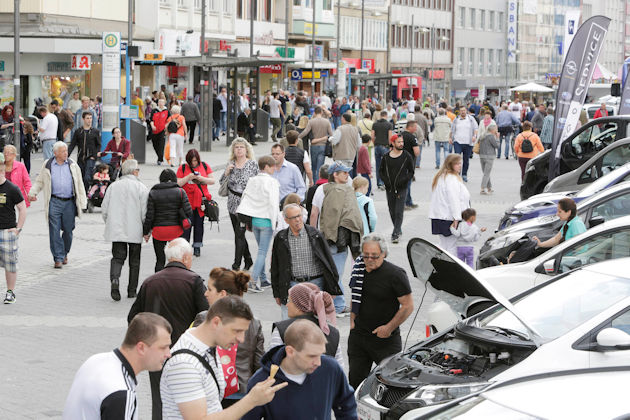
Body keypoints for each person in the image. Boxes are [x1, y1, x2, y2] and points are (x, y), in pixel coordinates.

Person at [160, 296, 288, 419]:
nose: (241, 339)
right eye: (237, 331)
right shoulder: (185, 364)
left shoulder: (209, 348)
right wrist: (251, 400)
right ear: (216, 322)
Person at [127, 239, 209, 419]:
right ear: (186, 257)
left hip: (155, 351)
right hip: (187, 352)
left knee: (159, 398)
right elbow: (205, 317)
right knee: (186, 398)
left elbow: (133, 318)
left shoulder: (150, 282)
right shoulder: (194, 281)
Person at [63, 313, 173, 420]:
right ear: (141, 348)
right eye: (163, 347)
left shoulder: (95, 360)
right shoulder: (121, 393)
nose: (169, 354)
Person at [243, 320, 357, 420]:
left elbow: (346, 404)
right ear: (290, 351)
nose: (318, 362)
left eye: (321, 354)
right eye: (311, 356)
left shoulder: (331, 368)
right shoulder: (261, 381)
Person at [347, 234, 413, 389]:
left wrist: (388, 328)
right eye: (366, 255)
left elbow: (408, 306)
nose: (369, 259)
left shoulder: (396, 274)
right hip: (359, 337)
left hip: (385, 340)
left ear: (383, 253)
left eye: (374, 256)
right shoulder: (359, 269)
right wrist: (352, 321)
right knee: (356, 382)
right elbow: (355, 295)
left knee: (393, 384)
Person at [202, 268, 265, 404]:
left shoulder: (204, 319)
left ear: (222, 294)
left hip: (213, 392)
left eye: (209, 289)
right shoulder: (254, 322)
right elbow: (259, 363)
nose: (205, 293)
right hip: (242, 391)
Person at [271, 203, 342, 320]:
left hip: (315, 284)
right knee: (288, 321)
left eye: (299, 216)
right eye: (293, 218)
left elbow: (328, 261)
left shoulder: (315, 235)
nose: (298, 220)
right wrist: (277, 293)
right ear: (286, 220)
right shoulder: (281, 237)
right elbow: (275, 266)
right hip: (292, 284)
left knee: (317, 322)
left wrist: (333, 287)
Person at [310, 161, 363, 315]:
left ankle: (331, 303)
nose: (348, 175)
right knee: (336, 272)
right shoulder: (346, 190)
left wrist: (313, 235)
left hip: (326, 237)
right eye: (344, 172)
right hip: (342, 239)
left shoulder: (322, 189)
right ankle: (335, 305)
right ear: (335, 174)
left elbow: (315, 213)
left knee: (329, 271)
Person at [28, 141, 86, 268]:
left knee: (68, 230)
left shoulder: (72, 165)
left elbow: (79, 184)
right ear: (55, 153)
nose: (66, 153)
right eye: (63, 151)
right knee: (54, 230)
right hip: (54, 201)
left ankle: (65, 252)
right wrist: (32, 193)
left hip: (69, 202)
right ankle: (58, 257)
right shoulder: (48, 165)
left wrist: (83, 202)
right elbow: (39, 182)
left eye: (66, 151)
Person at [102, 159, 148, 300]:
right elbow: (145, 212)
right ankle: (132, 290)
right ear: (134, 171)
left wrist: (109, 222)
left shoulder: (113, 187)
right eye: (138, 169)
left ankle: (115, 280)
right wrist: (146, 230)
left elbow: (105, 209)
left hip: (117, 230)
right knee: (134, 261)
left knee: (117, 258)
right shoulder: (141, 188)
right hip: (135, 230)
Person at [269, 283, 343, 367]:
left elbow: (272, 364)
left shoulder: (282, 329)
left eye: (289, 301)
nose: (287, 305)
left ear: (299, 304)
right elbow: (339, 368)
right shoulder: (331, 332)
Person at [236, 155, 280, 292]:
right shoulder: (272, 182)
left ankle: (263, 279)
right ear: (266, 166)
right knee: (262, 252)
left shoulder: (252, 180)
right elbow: (274, 203)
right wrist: (275, 221)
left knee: (261, 250)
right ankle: (253, 281)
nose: (274, 169)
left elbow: (245, 198)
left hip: (255, 220)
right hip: (267, 220)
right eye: (273, 166)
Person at [143, 169, 192, 272]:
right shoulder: (180, 191)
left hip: (159, 231)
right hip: (176, 231)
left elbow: (149, 216)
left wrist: (146, 232)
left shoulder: (153, 192)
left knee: (160, 260)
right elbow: (189, 212)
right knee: (178, 260)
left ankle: (159, 282)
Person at [221, 138, 258, 271]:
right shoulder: (230, 163)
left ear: (246, 149)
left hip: (246, 204)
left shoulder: (252, 164)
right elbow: (221, 182)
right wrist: (226, 172)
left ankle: (236, 265)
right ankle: (248, 259)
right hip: (232, 203)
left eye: (241, 147)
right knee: (238, 234)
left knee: (240, 234)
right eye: (236, 147)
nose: (239, 149)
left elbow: (257, 183)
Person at [428, 154, 470, 254]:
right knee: (451, 246)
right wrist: (456, 217)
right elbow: (453, 199)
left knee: (444, 244)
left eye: (460, 163)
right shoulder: (451, 179)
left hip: (441, 216)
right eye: (457, 164)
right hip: (448, 217)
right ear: (450, 165)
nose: (460, 166)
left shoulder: (442, 176)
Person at [176, 149, 215, 257]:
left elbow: (212, 180)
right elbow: (177, 183)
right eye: (192, 161)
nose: (194, 163)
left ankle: (197, 247)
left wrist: (201, 178)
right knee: (186, 225)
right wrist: (188, 177)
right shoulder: (183, 168)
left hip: (200, 202)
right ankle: (185, 247)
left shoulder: (204, 166)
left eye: (195, 161)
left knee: (199, 225)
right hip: (186, 202)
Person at [379, 135, 415, 244]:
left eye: (402, 142)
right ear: (393, 143)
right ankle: (398, 228)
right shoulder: (386, 157)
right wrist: (386, 182)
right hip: (389, 188)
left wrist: (404, 180)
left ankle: (395, 234)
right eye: (399, 142)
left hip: (402, 188)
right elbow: (381, 171)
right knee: (392, 210)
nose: (401, 144)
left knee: (399, 211)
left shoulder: (406, 156)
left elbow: (411, 171)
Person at [0, 154, 26, 305]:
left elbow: (22, 209)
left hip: (7, 231)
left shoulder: (12, 188)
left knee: (10, 263)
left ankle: (10, 292)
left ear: (2, 170)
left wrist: (18, 229)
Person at [298, 106, 333, 182]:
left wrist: (297, 137)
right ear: (321, 112)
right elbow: (331, 134)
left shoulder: (311, 121)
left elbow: (305, 132)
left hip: (314, 146)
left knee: (313, 167)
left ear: (314, 112)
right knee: (320, 167)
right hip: (323, 146)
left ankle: (314, 182)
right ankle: (319, 182)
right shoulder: (327, 122)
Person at [69, 111, 101, 192]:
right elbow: (72, 144)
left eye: (90, 118)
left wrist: (94, 156)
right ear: (83, 119)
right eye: (87, 118)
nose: (89, 120)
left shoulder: (95, 131)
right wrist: (66, 155)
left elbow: (98, 145)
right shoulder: (78, 131)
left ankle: (85, 192)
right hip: (80, 158)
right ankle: (81, 193)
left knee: (87, 177)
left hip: (90, 158)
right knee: (80, 177)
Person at [450, 106, 478, 182]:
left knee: (466, 160)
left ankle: (464, 174)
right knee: (457, 159)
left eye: (464, 110)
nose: (463, 112)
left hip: (468, 142)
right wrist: (450, 138)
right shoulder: (456, 120)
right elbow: (452, 129)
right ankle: (457, 174)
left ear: (466, 111)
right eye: (461, 110)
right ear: (459, 111)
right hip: (457, 141)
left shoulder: (471, 119)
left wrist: (474, 136)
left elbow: (476, 128)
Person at [400, 120, 420, 210]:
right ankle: (404, 203)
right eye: (415, 127)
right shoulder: (412, 137)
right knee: (407, 184)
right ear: (410, 127)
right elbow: (416, 152)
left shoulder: (400, 136)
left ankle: (408, 201)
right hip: (409, 163)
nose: (416, 129)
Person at [371, 110, 393, 189]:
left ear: (380, 116)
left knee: (378, 165)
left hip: (377, 146)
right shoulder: (389, 124)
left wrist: (374, 143)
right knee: (385, 166)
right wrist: (390, 146)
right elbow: (390, 137)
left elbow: (372, 136)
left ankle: (379, 183)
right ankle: (384, 182)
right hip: (385, 146)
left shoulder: (375, 124)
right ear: (386, 116)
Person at [478, 125, 499, 195]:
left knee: (486, 173)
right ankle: (483, 188)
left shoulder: (482, 136)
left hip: (482, 156)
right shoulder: (491, 136)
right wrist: (497, 138)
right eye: (496, 129)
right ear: (492, 130)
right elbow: (497, 146)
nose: (496, 131)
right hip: (489, 156)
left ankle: (489, 188)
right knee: (486, 173)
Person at [150, 98, 170, 165]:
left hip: (162, 130)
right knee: (155, 144)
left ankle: (160, 159)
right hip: (154, 130)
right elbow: (151, 120)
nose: (160, 103)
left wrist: (166, 127)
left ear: (164, 103)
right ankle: (159, 156)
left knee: (161, 145)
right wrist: (152, 126)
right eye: (159, 102)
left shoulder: (167, 111)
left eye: (162, 102)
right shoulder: (154, 110)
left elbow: (168, 120)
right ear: (158, 103)